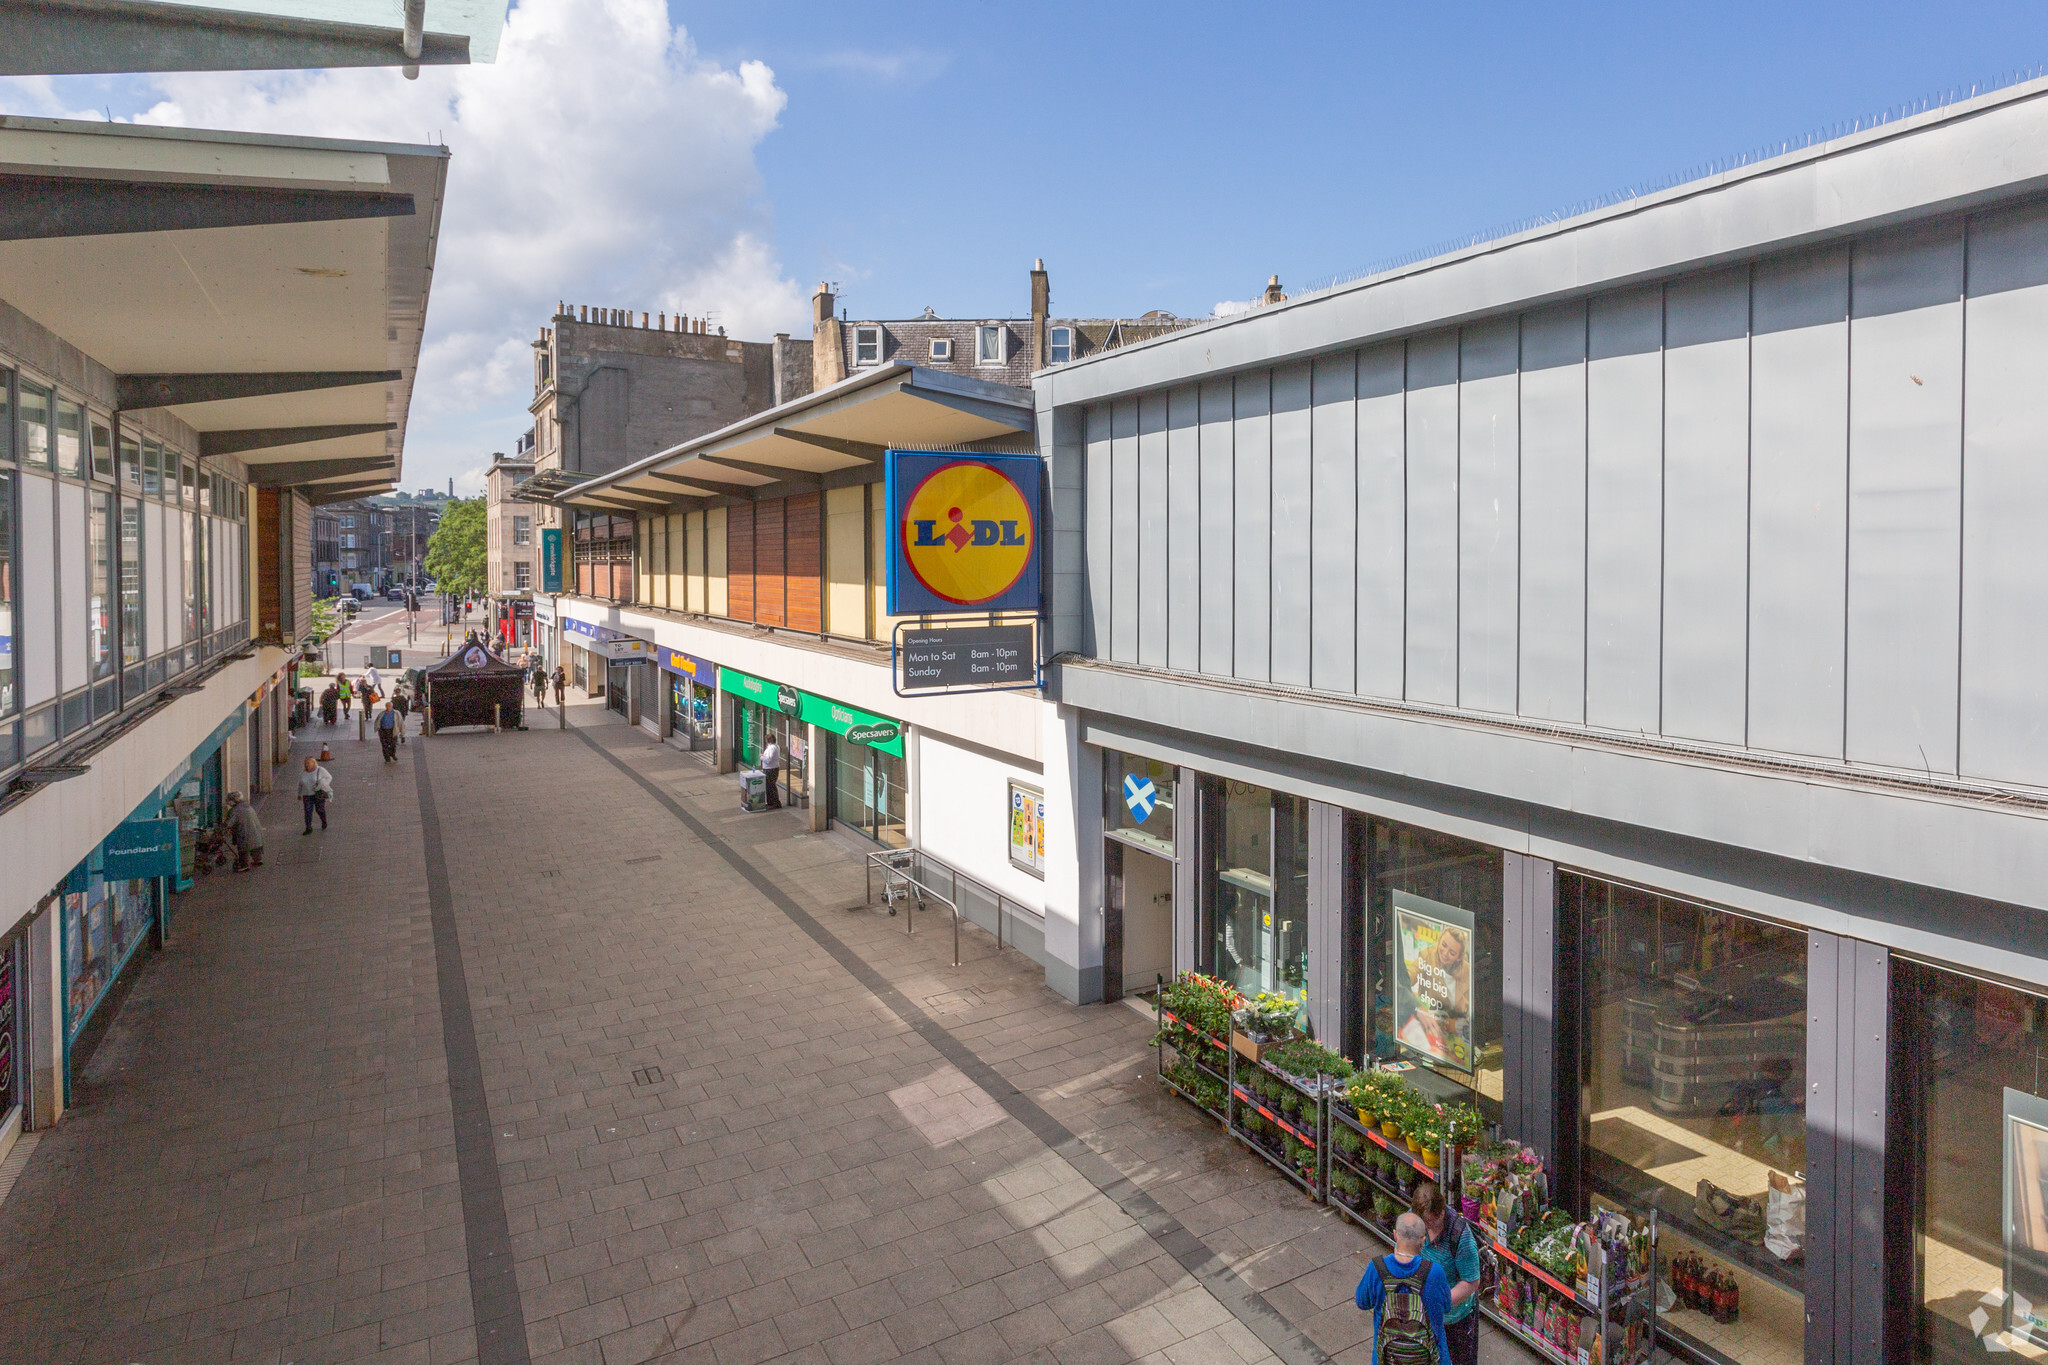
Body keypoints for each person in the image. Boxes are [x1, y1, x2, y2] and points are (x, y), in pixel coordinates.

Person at [1356, 1212, 1451, 1365]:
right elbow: (1447, 1307)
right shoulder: (1435, 1272)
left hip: (1387, 1359)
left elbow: (1362, 1302)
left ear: (1395, 1235)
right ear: (1423, 1240)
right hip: (1432, 1359)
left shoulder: (1377, 1268)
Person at [1409, 1183, 1483, 1365]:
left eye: (1433, 1221)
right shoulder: (1413, 1223)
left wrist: (1440, 1302)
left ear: (1442, 1210)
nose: (1429, 1228)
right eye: (1424, 1224)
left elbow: (1471, 1282)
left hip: (1456, 1322)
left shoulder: (1460, 1236)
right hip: (1424, 1317)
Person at [225, 791, 264, 871]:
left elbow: (229, 823)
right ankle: (257, 860)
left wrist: (222, 828)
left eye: (229, 800)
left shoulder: (235, 810)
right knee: (255, 845)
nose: (228, 803)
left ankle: (244, 865)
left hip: (244, 833)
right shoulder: (248, 806)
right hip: (256, 830)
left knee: (243, 848)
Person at [299, 755, 333, 833]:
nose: (307, 764)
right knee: (307, 811)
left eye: (308, 763)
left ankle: (324, 821)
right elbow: (300, 784)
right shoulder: (304, 773)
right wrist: (299, 794)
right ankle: (308, 827)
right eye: (305, 763)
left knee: (319, 810)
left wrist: (322, 784)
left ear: (313, 763)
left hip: (318, 794)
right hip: (307, 795)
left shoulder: (320, 770)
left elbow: (329, 777)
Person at [758, 735, 783, 809]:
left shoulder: (772, 748)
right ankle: (771, 802)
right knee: (769, 786)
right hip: (771, 768)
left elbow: (768, 760)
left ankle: (774, 803)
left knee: (771, 786)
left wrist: (761, 757)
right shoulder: (775, 746)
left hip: (770, 769)